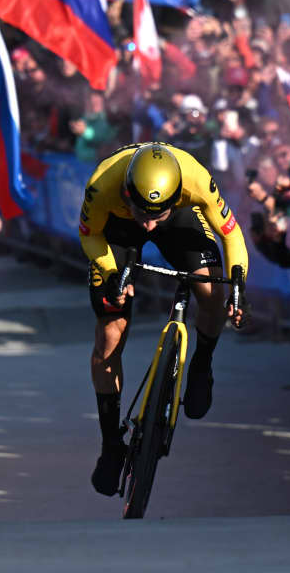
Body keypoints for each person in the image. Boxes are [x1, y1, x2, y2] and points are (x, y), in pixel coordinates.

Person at [78, 142, 248, 496]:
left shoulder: (195, 179)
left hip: (182, 219)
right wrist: (110, 272)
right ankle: (111, 444)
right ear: (126, 192)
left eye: (158, 214)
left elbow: (230, 233)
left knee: (212, 292)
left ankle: (202, 362)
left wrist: (238, 282)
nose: (151, 225)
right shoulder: (102, 184)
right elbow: (90, 234)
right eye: (144, 213)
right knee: (110, 332)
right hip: (117, 227)